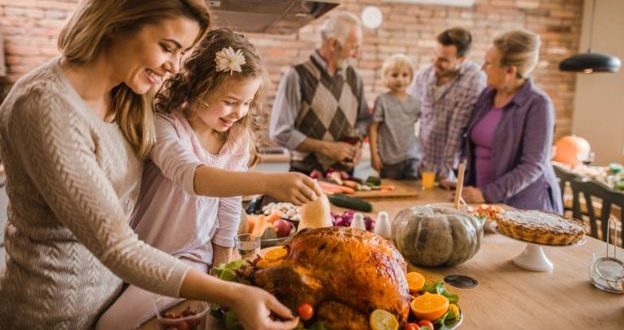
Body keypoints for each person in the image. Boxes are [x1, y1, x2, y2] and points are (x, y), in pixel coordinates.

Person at [0, 1, 299, 329]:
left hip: (114, 294)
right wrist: (231, 294)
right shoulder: (45, 107)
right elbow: (118, 247)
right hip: (53, 312)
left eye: (181, 52)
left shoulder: (127, 96)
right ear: (117, 23)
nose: (174, 67)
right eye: (167, 47)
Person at [96, 28, 322, 329]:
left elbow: (228, 207)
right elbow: (190, 177)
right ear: (198, 87)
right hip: (144, 254)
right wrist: (268, 182)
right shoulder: (165, 125)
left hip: (191, 258)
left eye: (247, 103)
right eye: (230, 101)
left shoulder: (236, 140)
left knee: (111, 326)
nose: (239, 113)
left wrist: (221, 271)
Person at [460, 30, 563, 213]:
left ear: (510, 71)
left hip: (523, 208)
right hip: (483, 202)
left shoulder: (538, 104)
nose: (483, 68)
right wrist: (465, 184)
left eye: (489, 63)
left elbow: (533, 165)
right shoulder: (487, 95)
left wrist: (487, 193)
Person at [270, 11, 371, 175]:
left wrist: (357, 145)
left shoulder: (355, 78)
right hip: (305, 177)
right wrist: (327, 148)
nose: (356, 54)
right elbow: (280, 133)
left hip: (345, 177)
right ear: (333, 44)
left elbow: (364, 119)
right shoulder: (297, 76)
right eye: (353, 47)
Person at [408, 27, 486, 186]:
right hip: (422, 164)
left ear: (462, 59)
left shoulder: (474, 78)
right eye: (434, 56)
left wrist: (446, 172)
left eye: (443, 60)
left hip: (452, 171)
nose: (436, 62)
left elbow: (458, 128)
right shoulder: (424, 75)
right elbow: (409, 114)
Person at [369, 54, 421, 179]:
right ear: (386, 77)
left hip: (411, 156)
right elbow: (373, 128)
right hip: (389, 159)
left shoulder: (416, 102)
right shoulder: (382, 101)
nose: (400, 79)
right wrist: (374, 155)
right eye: (394, 75)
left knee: (412, 191)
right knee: (390, 191)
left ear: (410, 77)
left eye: (404, 75)